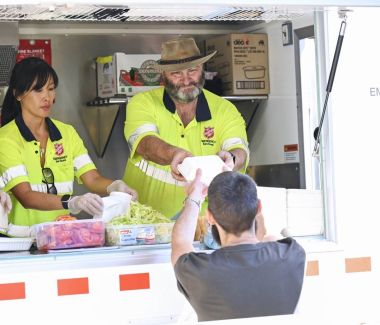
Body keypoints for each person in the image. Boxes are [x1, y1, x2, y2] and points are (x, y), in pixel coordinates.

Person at [0, 57, 137, 237]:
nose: (47, 97)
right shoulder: (6, 139)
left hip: (60, 239)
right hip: (20, 241)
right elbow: (26, 196)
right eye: (38, 90)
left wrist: (115, 186)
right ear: (18, 94)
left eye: (51, 89)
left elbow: (92, 179)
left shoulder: (67, 133)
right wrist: (72, 202)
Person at [123, 37, 249, 218]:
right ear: (162, 77)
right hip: (144, 223)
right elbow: (144, 143)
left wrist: (231, 157)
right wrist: (173, 154)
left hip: (201, 225)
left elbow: (239, 149)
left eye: (192, 70)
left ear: (202, 70)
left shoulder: (225, 110)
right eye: (176, 73)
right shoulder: (142, 103)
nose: (186, 80)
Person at [171, 169, 306, 322]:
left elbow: (181, 240)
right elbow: (267, 237)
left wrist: (194, 198)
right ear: (259, 208)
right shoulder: (292, 255)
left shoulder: (198, 271)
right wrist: (236, 184)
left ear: (210, 217)